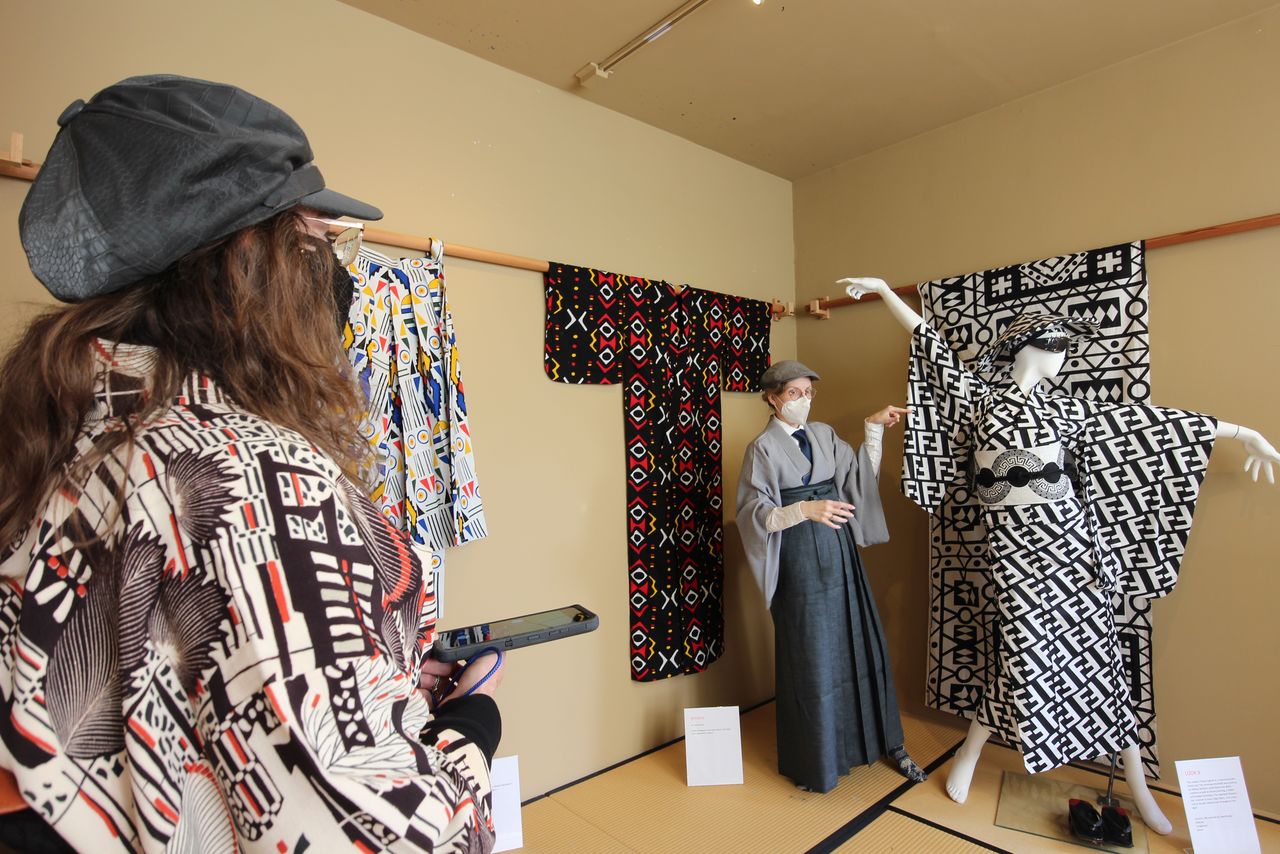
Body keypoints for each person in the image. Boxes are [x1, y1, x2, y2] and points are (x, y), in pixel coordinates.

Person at [0, 74, 503, 852]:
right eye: (314, 243)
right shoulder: (243, 473)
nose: (330, 274)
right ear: (246, 255)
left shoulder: (54, 423)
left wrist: (374, 668)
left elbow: (166, 673)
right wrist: (468, 734)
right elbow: (374, 836)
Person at [840, 275, 1280, 834]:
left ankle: (1136, 783)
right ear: (1029, 348)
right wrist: (884, 290)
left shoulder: (1067, 411)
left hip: (1073, 547)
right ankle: (972, 753)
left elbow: (1151, 424)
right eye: (1057, 346)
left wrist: (1242, 432)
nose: (1064, 357)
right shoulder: (980, 400)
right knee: (1021, 650)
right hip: (1014, 550)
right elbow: (932, 346)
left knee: (1100, 658)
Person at [736, 360, 925, 793]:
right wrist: (805, 509)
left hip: (839, 551)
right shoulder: (761, 449)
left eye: (808, 392)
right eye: (794, 393)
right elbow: (754, 513)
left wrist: (872, 430)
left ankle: (885, 742)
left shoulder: (822, 434)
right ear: (772, 398)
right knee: (813, 653)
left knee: (859, 641)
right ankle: (819, 760)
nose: (803, 400)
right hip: (798, 558)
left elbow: (857, 480)